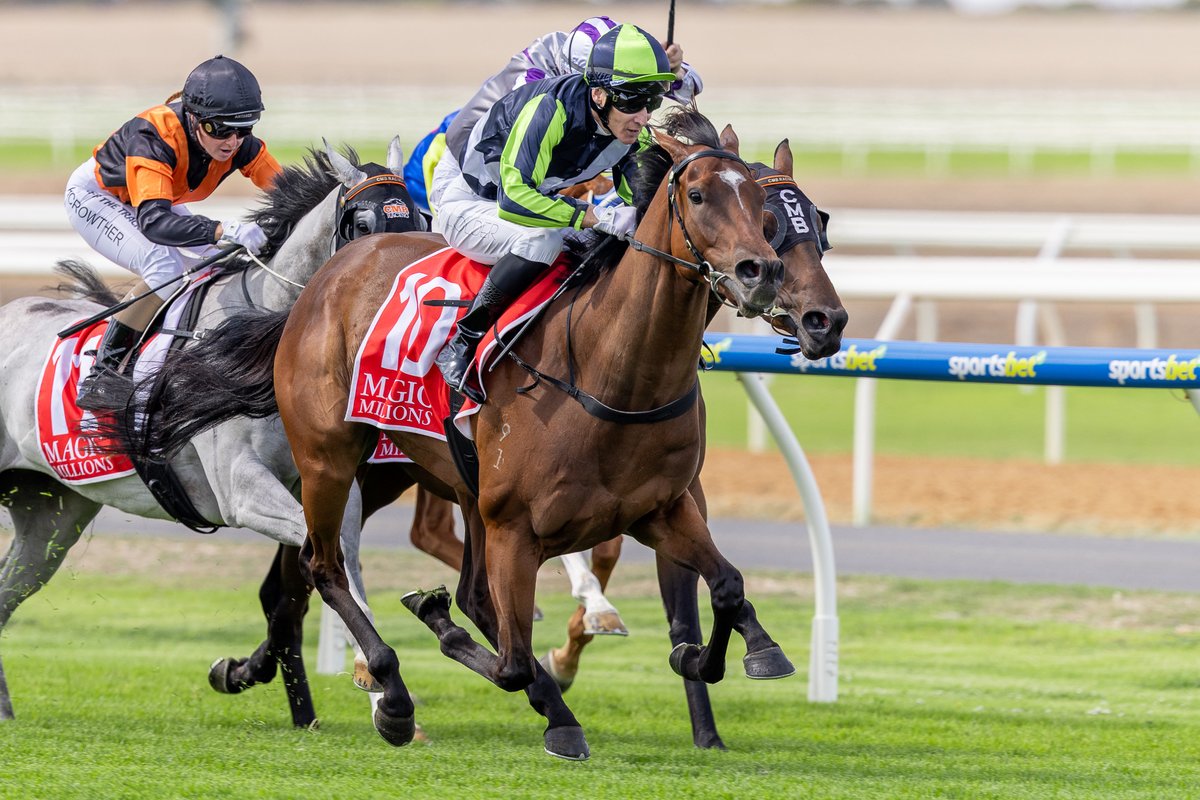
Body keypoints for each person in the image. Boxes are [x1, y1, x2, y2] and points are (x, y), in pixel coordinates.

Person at [431, 24, 676, 400]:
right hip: (468, 198)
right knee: (541, 239)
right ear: (598, 94)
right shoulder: (550, 110)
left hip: (523, 199)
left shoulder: (631, 131)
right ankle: (464, 341)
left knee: (605, 246)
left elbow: (643, 200)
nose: (642, 117)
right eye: (631, 101)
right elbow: (514, 199)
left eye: (652, 102)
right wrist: (592, 216)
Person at [64, 55, 280, 411]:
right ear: (194, 118)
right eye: (220, 130)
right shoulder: (154, 136)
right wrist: (223, 229)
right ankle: (103, 372)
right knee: (163, 266)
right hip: (98, 196)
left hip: (152, 199)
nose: (233, 142)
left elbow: (290, 189)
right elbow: (155, 223)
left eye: (244, 128)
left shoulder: (239, 143)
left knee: (212, 265)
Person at [406, 15, 702, 216]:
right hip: (450, 161)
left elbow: (693, 86)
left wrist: (672, 69)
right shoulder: (539, 88)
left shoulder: (594, 52)